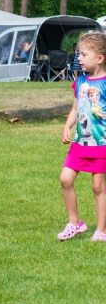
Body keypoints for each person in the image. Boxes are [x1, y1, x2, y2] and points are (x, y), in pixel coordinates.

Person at [58, 32, 106, 242]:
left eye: (84, 55)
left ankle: (101, 230)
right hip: (80, 143)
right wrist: (68, 126)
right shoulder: (79, 82)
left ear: (99, 58)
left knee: (98, 187)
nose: (79, 58)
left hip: (102, 145)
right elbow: (76, 108)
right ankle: (75, 223)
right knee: (65, 179)